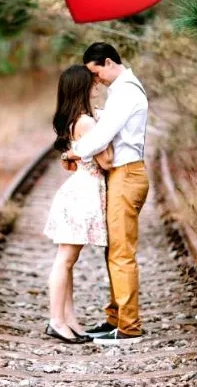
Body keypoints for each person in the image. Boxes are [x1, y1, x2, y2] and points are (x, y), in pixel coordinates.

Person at [65, 42, 149, 345]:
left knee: (121, 252)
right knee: (112, 249)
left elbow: (102, 136)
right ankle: (115, 317)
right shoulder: (121, 91)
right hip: (122, 176)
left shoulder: (126, 91)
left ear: (109, 62)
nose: (95, 79)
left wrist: (74, 152)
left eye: (95, 71)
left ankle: (128, 327)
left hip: (127, 175)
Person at [43, 64, 114, 344]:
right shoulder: (86, 122)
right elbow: (106, 161)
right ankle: (56, 320)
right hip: (83, 193)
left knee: (68, 260)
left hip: (78, 189)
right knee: (65, 259)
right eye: (91, 82)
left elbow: (73, 160)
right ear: (82, 87)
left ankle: (69, 319)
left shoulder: (76, 119)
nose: (95, 85)